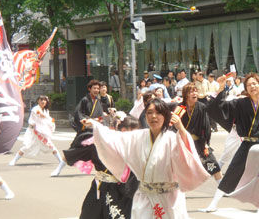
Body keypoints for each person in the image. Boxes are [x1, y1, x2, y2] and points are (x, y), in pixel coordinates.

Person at [81, 98, 210, 218]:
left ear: (165, 116)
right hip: (144, 198)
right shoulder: (138, 137)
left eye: (158, 113)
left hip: (168, 198)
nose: (154, 116)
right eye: (150, 112)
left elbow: (187, 156)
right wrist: (94, 125)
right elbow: (114, 138)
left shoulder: (172, 138)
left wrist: (181, 129)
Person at [202, 73, 259, 212]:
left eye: (255, 83)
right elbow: (217, 107)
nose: (252, 86)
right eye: (249, 84)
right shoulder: (240, 103)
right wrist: (221, 87)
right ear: (246, 87)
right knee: (233, 171)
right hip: (247, 143)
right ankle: (214, 203)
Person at [79, 116, 140, 219]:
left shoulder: (136, 148)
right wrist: (93, 124)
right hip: (99, 187)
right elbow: (103, 133)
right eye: (133, 132)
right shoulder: (111, 141)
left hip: (121, 190)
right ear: (124, 130)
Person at [9, 95, 66, 176]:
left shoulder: (46, 110)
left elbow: (47, 119)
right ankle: (14, 160)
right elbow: (40, 115)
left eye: (45, 100)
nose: (43, 102)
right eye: (41, 100)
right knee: (26, 146)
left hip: (41, 132)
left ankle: (60, 160)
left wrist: (51, 122)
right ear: (38, 101)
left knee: (50, 145)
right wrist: (49, 118)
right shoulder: (35, 109)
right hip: (33, 132)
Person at [176, 83, 222, 181]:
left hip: (199, 142)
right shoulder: (180, 108)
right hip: (184, 144)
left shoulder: (201, 107)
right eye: (192, 91)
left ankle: (222, 188)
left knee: (212, 163)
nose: (195, 93)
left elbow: (206, 126)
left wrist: (206, 144)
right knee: (178, 168)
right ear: (186, 94)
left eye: (195, 91)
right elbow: (173, 125)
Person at [63, 80, 104, 170]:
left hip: (94, 128)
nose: (96, 90)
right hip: (86, 129)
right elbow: (79, 113)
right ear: (89, 89)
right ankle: (62, 163)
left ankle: (101, 168)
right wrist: (89, 120)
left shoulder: (98, 100)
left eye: (98, 88)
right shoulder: (85, 100)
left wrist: (100, 118)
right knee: (76, 148)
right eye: (94, 88)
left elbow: (100, 114)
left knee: (96, 149)